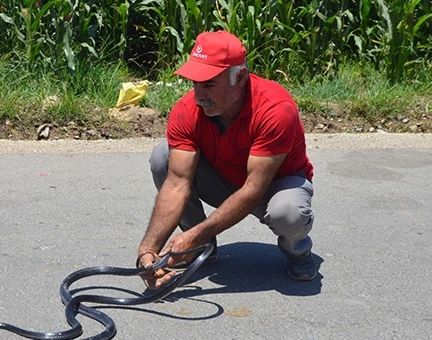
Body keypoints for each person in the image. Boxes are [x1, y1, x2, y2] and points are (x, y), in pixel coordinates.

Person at [136, 30, 317, 289]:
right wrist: (148, 250)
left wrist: (194, 235)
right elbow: (177, 183)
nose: (199, 95)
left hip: (272, 188)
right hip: (225, 181)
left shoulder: (275, 109)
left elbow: (254, 190)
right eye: (195, 84)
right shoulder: (187, 111)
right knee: (163, 157)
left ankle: (298, 252)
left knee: (288, 214)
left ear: (240, 77)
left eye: (209, 84)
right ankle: (200, 249)